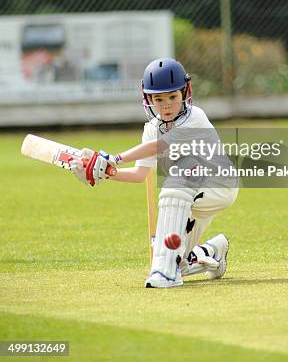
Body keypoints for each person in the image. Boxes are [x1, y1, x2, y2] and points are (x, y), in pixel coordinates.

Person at [70, 58, 238, 289]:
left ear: (184, 93)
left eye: (172, 97)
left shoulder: (195, 118)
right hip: (190, 197)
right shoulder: (151, 128)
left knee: (176, 181)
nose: (166, 105)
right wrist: (105, 172)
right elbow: (140, 173)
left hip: (219, 186)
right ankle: (213, 251)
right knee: (178, 258)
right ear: (148, 99)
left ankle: (164, 272)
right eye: (158, 99)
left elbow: (159, 146)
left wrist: (114, 158)